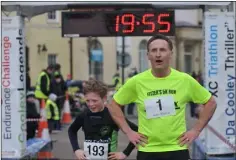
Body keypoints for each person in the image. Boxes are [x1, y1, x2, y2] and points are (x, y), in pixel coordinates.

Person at [106, 34, 217, 160]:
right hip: (147, 149)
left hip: (177, 148)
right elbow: (114, 105)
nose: (158, 54)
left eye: (162, 50)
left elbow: (210, 103)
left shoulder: (184, 80)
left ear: (170, 54)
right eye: (154, 50)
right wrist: (128, 132)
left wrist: (196, 130)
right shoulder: (137, 81)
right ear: (148, 55)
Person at [68, 80, 138, 160]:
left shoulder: (113, 114)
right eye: (87, 100)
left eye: (94, 100)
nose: (91, 104)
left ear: (104, 98)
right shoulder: (84, 115)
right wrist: (76, 149)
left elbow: (136, 130)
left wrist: (125, 153)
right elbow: (72, 130)